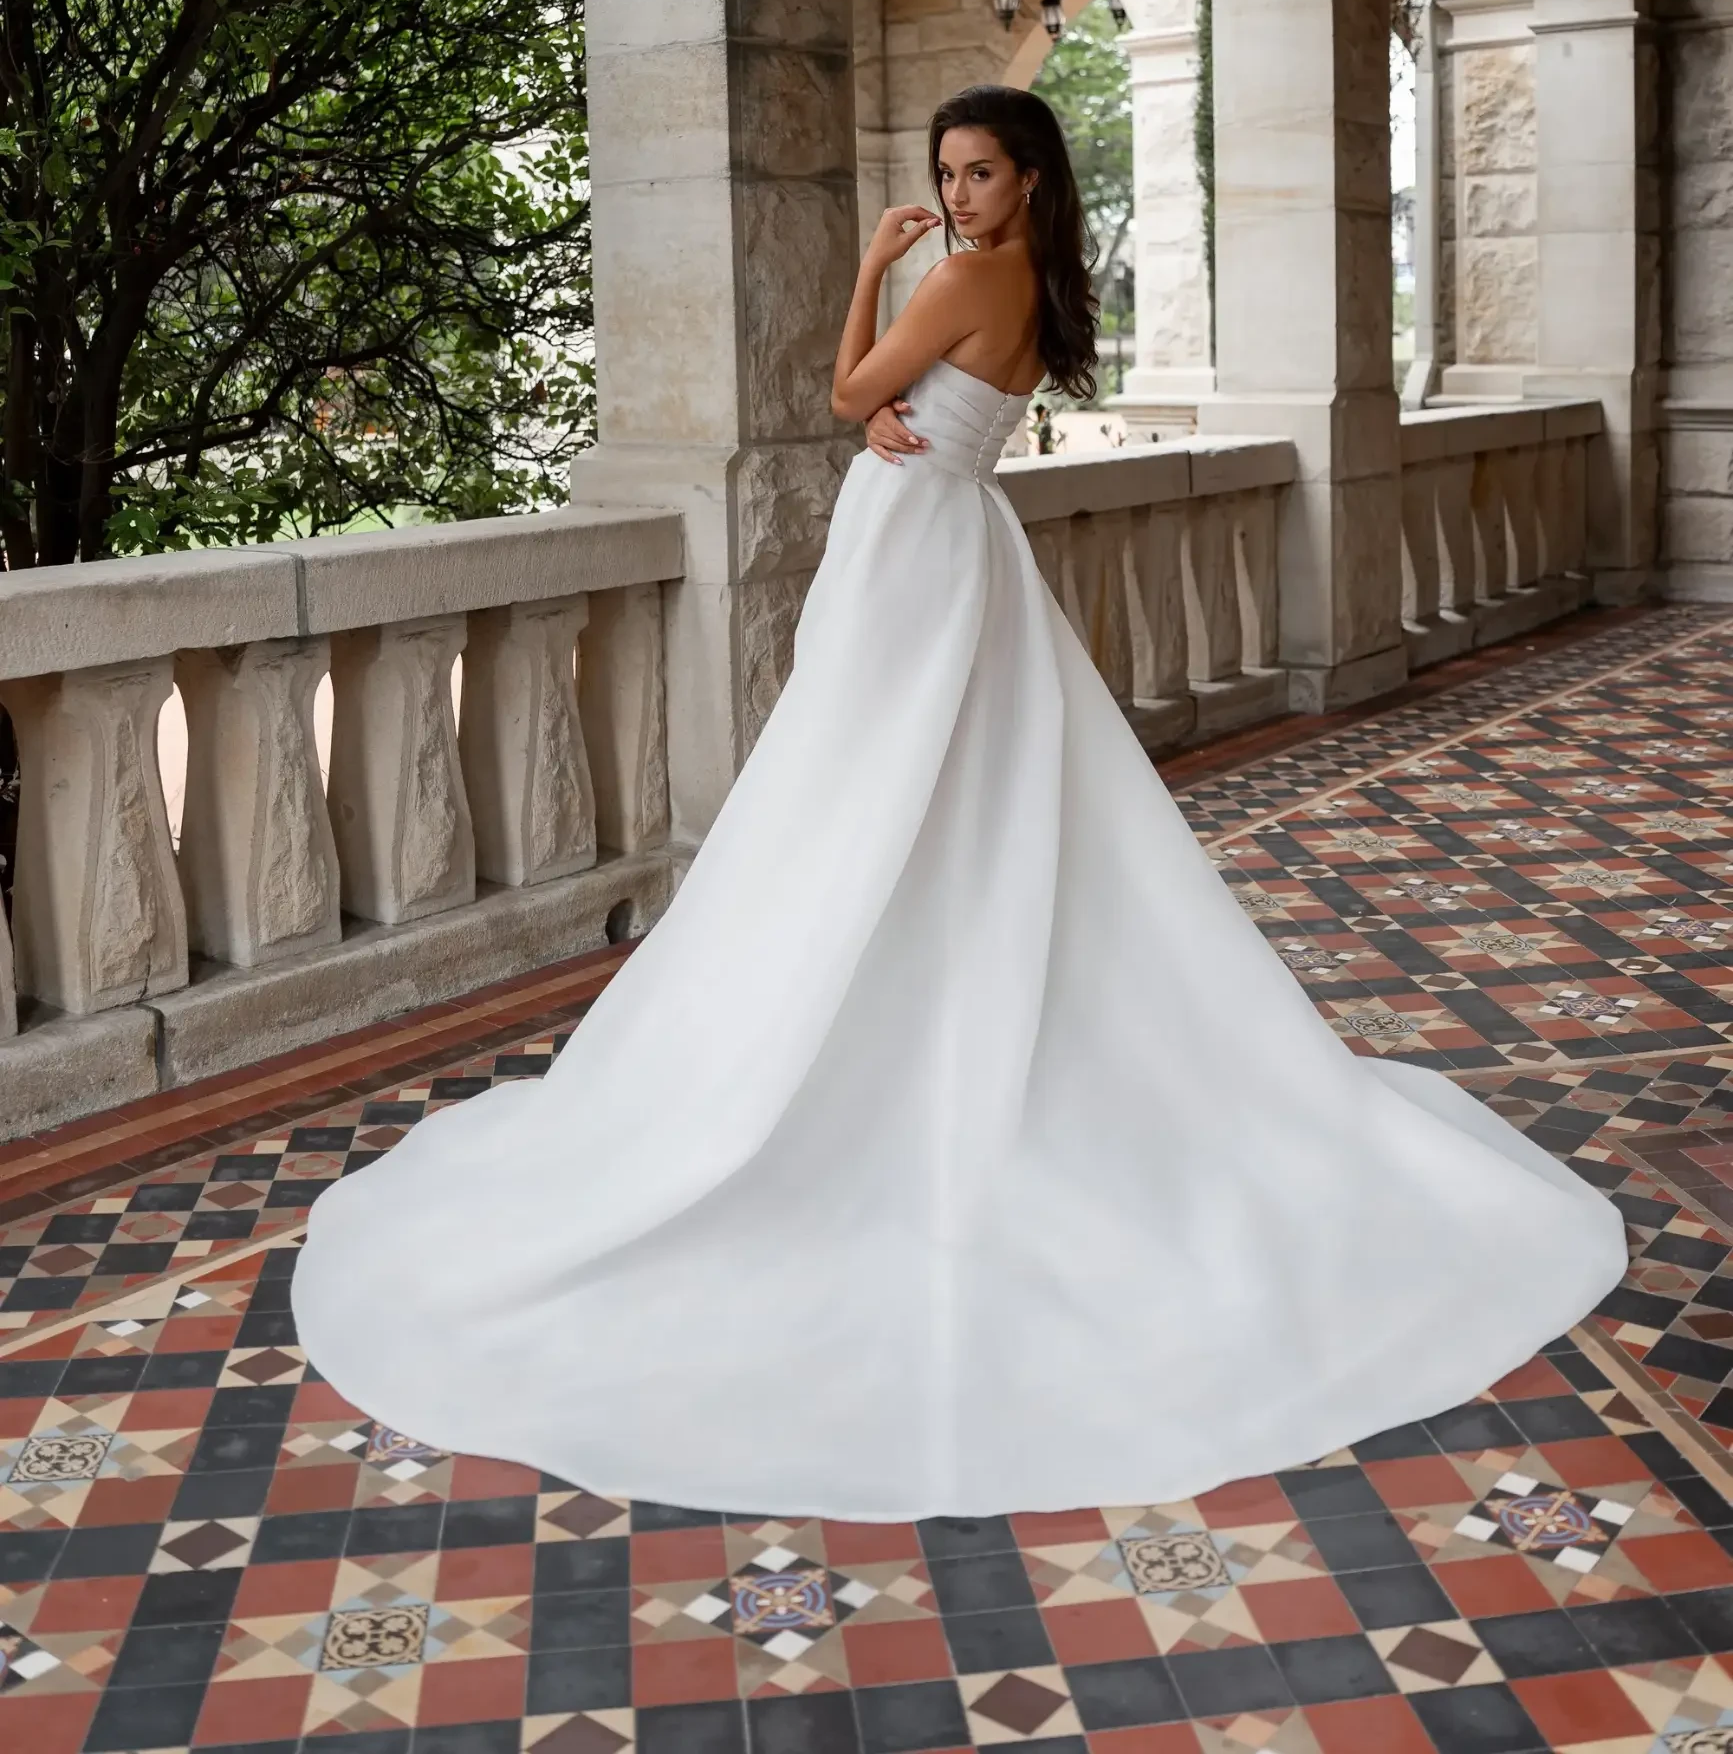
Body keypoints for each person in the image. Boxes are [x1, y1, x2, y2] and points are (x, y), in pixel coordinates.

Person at [293, 82, 1625, 1520]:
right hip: (948, 537)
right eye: (946, 172)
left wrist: (872, 268)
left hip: (920, 550)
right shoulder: (1031, 287)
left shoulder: (964, 273)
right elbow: (904, 407)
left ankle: (872, 1041)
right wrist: (893, 389)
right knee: (934, 788)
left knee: (866, 784)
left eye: (980, 170)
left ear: (1032, 180)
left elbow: (845, 397)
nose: (961, 191)